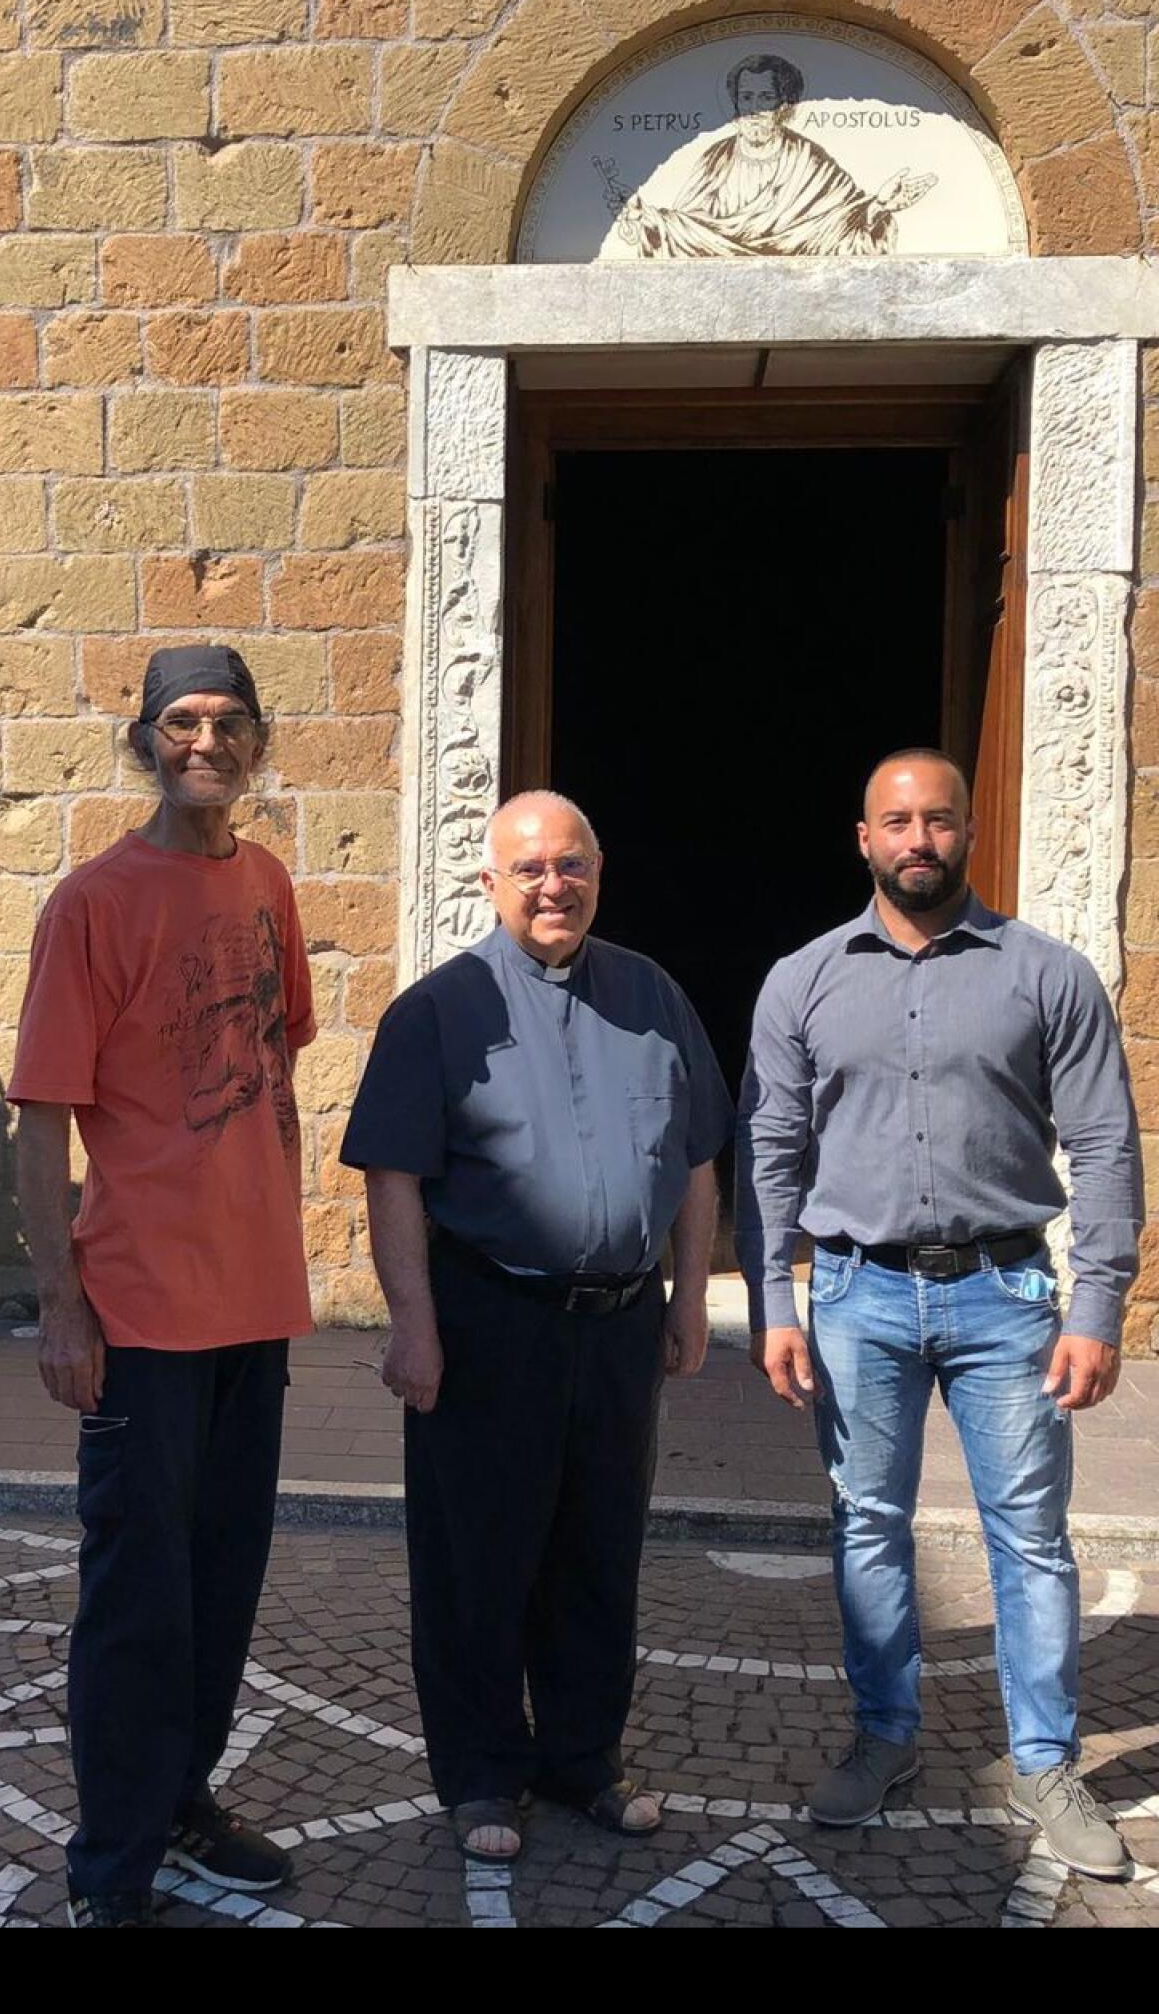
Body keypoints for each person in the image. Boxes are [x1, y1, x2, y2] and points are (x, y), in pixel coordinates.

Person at [735, 749, 1143, 1877]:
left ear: (971, 834)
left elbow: (1106, 1141)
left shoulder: (1046, 975)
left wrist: (1098, 1301)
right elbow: (769, 1152)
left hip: (1008, 1293)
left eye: (941, 821)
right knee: (868, 1522)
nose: (920, 839)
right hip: (857, 1295)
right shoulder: (802, 980)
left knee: (1029, 1536)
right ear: (863, 837)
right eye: (897, 821)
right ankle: (885, 1736)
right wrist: (775, 1296)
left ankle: (1046, 1760)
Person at [340, 791, 733, 1861]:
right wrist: (412, 1324)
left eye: (572, 865)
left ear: (598, 872)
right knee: (480, 1555)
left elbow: (697, 1159)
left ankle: (581, 1763)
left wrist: (691, 1296)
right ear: (490, 883)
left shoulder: (654, 995)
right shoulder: (437, 1009)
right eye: (530, 869)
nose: (553, 885)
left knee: (598, 1548)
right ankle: (477, 1776)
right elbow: (393, 1178)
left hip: (616, 1326)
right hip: (488, 1321)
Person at [10, 645, 316, 1927]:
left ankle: (184, 1803)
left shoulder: (270, 884)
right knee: (135, 1603)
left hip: (256, 1309)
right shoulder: (92, 902)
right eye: (180, 722)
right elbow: (42, 1122)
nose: (206, 742)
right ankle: (112, 1864)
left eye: (229, 722)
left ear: (257, 741)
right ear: (143, 741)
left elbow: (280, 1063)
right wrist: (63, 1302)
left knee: (223, 1582)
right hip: (138, 1316)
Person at [616, 52, 936, 259]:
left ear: (784, 106)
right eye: (746, 98)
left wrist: (880, 206)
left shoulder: (810, 162)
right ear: (735, 104)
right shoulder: (716, 159)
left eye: (766, 97)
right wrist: (645, 217)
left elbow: (839, 228)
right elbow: (690, 231)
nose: (754, 109)